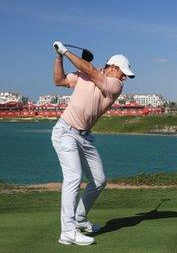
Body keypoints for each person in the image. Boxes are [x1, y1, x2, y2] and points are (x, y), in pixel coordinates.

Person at [51, 41, 135, 246]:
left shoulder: (115, 85)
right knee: (73, 177)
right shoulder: (84, 75)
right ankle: (68, 231)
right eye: (122, 72)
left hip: (85, 137)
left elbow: (90, 70)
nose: (125, 77)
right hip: (65, 132)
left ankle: (80, 219)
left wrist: (67, 51)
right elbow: (59, 80)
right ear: (113, 67)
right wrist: (59, 56)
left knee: (99, 180)